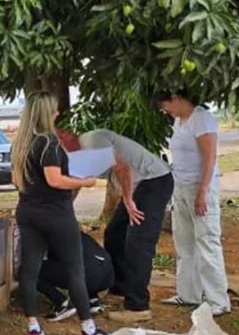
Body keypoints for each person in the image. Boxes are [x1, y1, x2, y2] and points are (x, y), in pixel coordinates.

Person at [12, 94, 109, 335]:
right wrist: (84, 182)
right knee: (75, 270)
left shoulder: (20, 144)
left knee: (30, 271)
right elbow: (55, 180)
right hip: (56, 214)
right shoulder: (49, 144)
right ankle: (88, 329)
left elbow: (16, 181)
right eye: (54, 111)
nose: (57, 114)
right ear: (47, 114)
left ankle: (33, 327)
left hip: (28, 212)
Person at [71, 129, 174, 323]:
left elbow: (122, 167)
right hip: (139, 187)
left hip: (154, 182)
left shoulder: (91, 140)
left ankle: (138, 306)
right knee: (114, 234)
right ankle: (120, 287)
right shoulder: (78, 155)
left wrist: (127, 200)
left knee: (139, 244)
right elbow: (76, 182)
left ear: (67, 135)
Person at [155, 89, 230, 315]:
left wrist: (203, 191)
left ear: (176, 99)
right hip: (181, 186)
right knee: (184, 242)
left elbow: (210, 157)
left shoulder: (202, 118)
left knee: (206, 241)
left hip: (201, 187)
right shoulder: (179, 121)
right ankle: (188, 294)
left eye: (165, 106)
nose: (165, 111)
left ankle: (218, 301)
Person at [39, 232, 113, 321]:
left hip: (89, 277)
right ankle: (93, 300)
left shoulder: (55, 235)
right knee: (87, 262)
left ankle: (62, 303)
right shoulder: (77, 232)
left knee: (29, 271)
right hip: (107, 279)